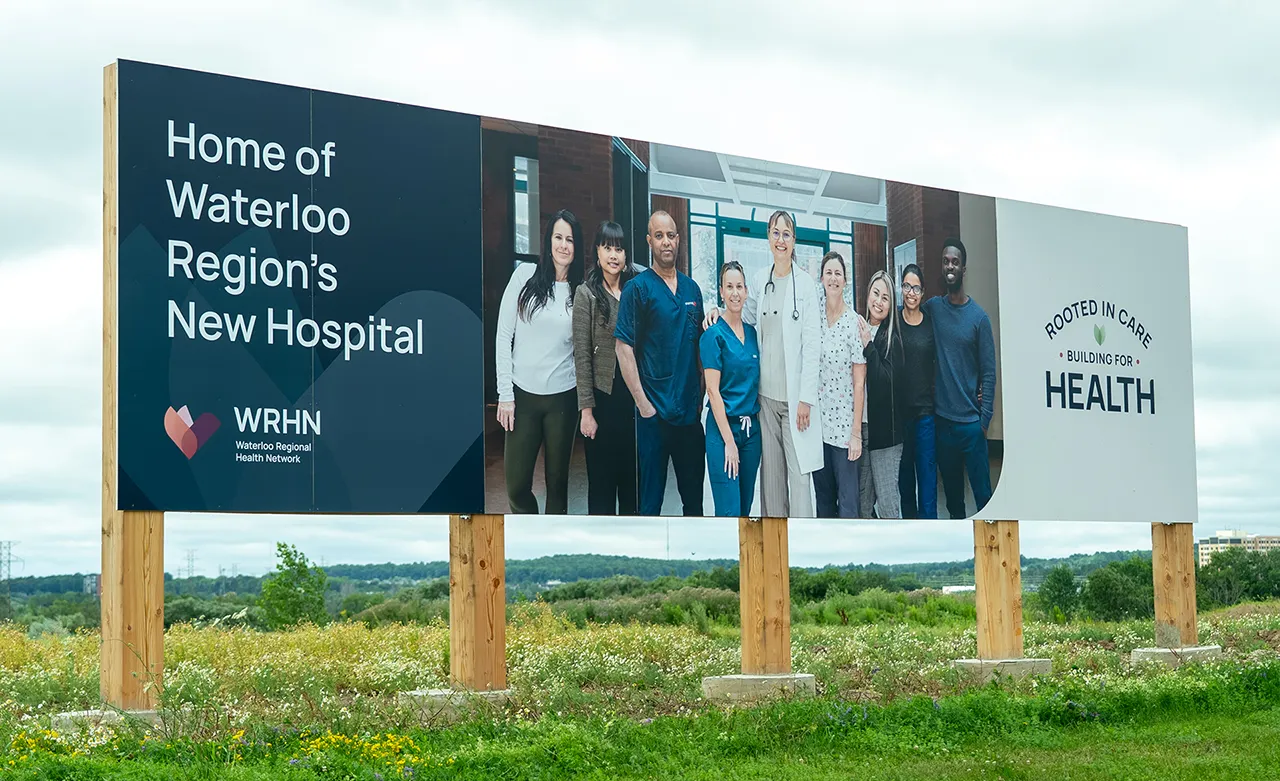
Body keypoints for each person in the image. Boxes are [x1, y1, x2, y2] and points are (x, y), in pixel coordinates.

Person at [614, 210, 706, 516]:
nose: (666, 242)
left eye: (671, 235)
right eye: (659, 235)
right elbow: (623, 347)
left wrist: (699, 398)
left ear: (678, 240)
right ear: (649, 241)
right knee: (650, 504)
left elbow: (698, 348)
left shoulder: (692, 290)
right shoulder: (637, 289)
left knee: (694, 503)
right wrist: (643, 405)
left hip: (689, 420)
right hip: (653, 417)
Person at [494, 209, 584, 515]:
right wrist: (505, 394)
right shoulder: (524, 277)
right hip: (522, 398)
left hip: (563, 399)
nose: (563, 245)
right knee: (516, 486)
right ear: (548, 242)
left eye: (570, 239)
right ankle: (528, 528)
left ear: (577, 246)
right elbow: (503, 336)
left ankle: (554, 536)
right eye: (558, 237)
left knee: (557, 485)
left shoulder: (579, 292)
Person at [922, 237, 997, 519]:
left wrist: (984, 420)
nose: (950, 266)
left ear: (963, 269)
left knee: (984, 501)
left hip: (972, 428)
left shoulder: (979, 319)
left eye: (955, 261)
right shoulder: (933, 310)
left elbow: (989, 373)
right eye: (945, 261)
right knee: (954, 504)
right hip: (944, 426)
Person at [572, 220, 640, 515]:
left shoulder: (636, 289)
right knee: (601, 488)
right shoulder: (585, 294)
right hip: (603, 400)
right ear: (597, 252)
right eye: (607, 247)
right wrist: (586, 412)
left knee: (632, 488)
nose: (614, 255)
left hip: (633, 399)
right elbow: (582, 356)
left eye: (619, 249)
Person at [700, 261, 762, 517]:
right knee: (729, 513)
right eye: (729, 287)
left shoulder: (753, 333)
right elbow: (713, 392)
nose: (735, 293)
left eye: (739, 286)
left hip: (751, 434)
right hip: (723, 432)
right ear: (721, 292)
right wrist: (729, 442)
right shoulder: (713, 335)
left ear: (746, 291)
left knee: (746, 511)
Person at [811, 251, 865, 518]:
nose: (833, 278)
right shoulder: (812, 316)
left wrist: (856, 433)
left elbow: (859, 382)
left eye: (838, 273)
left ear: (845, 281)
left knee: (848, 504)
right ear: (821, 278)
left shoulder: (854, 323)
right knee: (823, 502)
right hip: (816, 428)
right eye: (828, 272)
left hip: (844, 432)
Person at [857, 269, 906, 519]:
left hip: (886, 438)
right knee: (863, 506)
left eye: (885, 298)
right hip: (862, 431)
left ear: (890, 305)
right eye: (875, 294)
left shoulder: (892, 339)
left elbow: (884, 382)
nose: (878, 301)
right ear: (868, 295)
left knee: (888, 507)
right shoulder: (857, 328)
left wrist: (868, 346)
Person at [897, 263, 938, 519]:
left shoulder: (931, 325)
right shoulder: (894, 323)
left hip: (925, 416)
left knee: (927, 484)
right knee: (905, 487)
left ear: (922, 292)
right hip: (900, 420)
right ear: (901, 288)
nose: (911, 292)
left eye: (916, 288)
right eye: (907, 286)